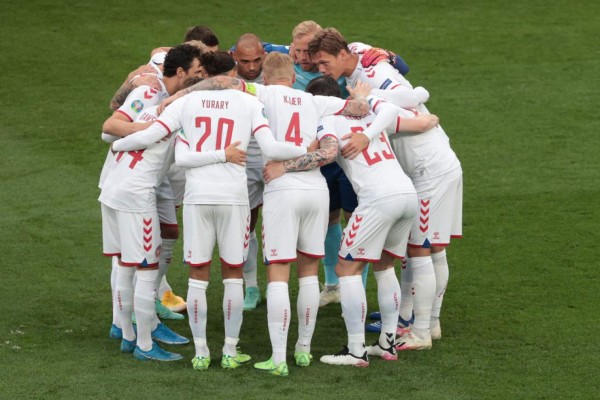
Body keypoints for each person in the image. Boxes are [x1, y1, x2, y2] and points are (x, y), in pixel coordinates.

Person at [113, 51, 311, 371]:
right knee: (233, 276)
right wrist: (306, 150)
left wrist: (117, 146)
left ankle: (201, 352)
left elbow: (150, 135)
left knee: (197, 278)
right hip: (234, 199)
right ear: (231, 73)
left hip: (197, 199)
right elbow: (273, 149)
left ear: (204, 74)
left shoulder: (184, 103)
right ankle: (230, 352)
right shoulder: (249, 104)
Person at [264, 75, 439, 366]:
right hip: (408, 194)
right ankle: (387, 343)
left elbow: (326, 153)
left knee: (346, 267)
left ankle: (355, 351)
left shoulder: (328, 119)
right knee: (385, 267)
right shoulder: (370, 113)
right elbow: (398, 112)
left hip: (378, 199)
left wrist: (284, 166)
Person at [308, 28, 463, 350]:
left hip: (429, 168)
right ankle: (418, 322)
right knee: (421, 249)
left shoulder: (373, 74)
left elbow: (413, 95)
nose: (321, 69)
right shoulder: (359, 57)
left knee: (423, 249)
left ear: (341, 55)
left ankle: (423, 328)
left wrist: (372, 107)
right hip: (419, 170)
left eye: (323, 62)